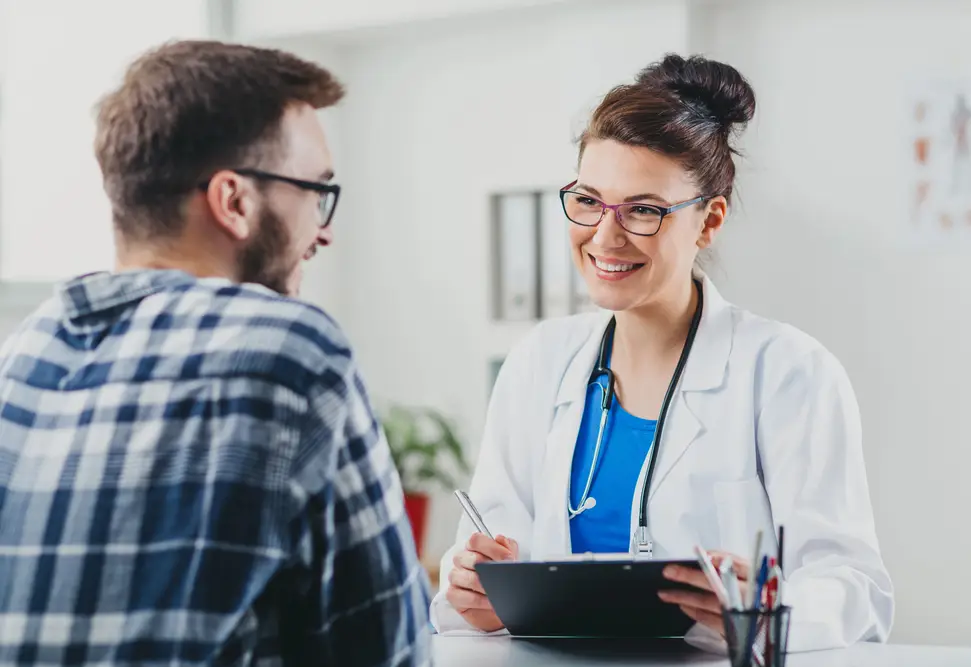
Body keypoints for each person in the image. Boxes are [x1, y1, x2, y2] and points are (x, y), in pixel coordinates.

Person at [431, 53, 893, 652]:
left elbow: (854, 586)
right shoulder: (539, 363)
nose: (605, 235)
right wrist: (473, 592)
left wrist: (770, 607)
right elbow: (489, 561)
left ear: (709, 221)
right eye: (589, 200)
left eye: (644, 210)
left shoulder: (788, 373)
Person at [0, 40, 431, 666]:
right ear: (234, 201)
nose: (325, 228)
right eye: (317, 192)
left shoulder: (29, 352)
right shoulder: (291, 347)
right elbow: (387, 647)